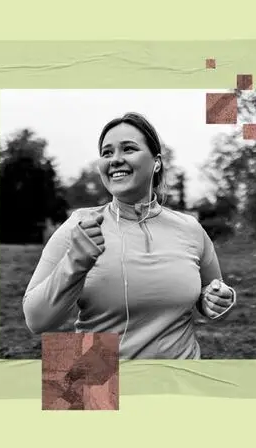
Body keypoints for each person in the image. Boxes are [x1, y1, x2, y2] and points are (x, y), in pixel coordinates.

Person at [22, 112, 237, 359]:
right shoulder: (79, 226)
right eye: (107, 152)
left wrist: (218, 300)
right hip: (96, 379)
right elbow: (36, 321)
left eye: (128, 149)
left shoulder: (190, 228)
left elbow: (211, 295)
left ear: (156, 162)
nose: (115, 160)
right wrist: (74, 263)